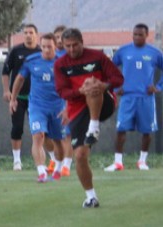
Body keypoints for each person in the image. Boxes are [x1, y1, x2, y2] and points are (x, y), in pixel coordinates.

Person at [54, 28, 124, 208]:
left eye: (74, 45)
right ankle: (91, 196)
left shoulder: (97, 57)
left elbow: (118, 78)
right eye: (67, 46)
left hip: (103, 103)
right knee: (80, 155)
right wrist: (80, 91)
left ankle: (94, 127)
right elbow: (62, 91)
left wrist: (104, 85)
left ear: (82, 42)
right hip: (78, 110)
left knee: (91, 83)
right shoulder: (60, 64)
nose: (71, 49)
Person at [104, 23, 163, 171]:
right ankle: (118, 162)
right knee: (121, 129)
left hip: (146, 98)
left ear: (146, 35)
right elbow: (110, 69)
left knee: (147, 131)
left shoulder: (155, 53)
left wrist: (158, 87)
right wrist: (116, 87)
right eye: (135, 34)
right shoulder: (124, 51)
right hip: (127, 98)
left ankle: (142, 161)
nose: (137, 37)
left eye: (140, 35)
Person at [10, 33, 65, 182]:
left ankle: (59, 168)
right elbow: (20, 78)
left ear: (55, 46)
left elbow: (71, 85)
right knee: (38, 135)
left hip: (58, 106)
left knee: (58, 140)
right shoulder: (32, 61)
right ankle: (41, 171)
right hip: (37, 106)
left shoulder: (62, 63)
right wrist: (13, 99)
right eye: (44, 47)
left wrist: (68, 106)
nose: (46, 50)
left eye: (50, 47)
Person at [2, 24, 41, 171]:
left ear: (36, 34)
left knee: (39, 130)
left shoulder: (41, 51)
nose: (28, 35)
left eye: (31, 32)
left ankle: (44, 159)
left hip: (37, 99)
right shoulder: (16, 51)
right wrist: (7, 91)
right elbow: (6, 71)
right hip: (18, 98)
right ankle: (17, 161)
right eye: (25, 33)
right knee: (17, 128)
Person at [46, 25, 74, 177]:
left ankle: (66, 165)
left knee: (67, 134)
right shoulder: (48, 56)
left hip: (67, 99)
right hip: (51, 100)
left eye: (62, 36)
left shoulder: (71, 57)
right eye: (56, 37)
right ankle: (55, 161)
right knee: (49, 134)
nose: (59, 40)